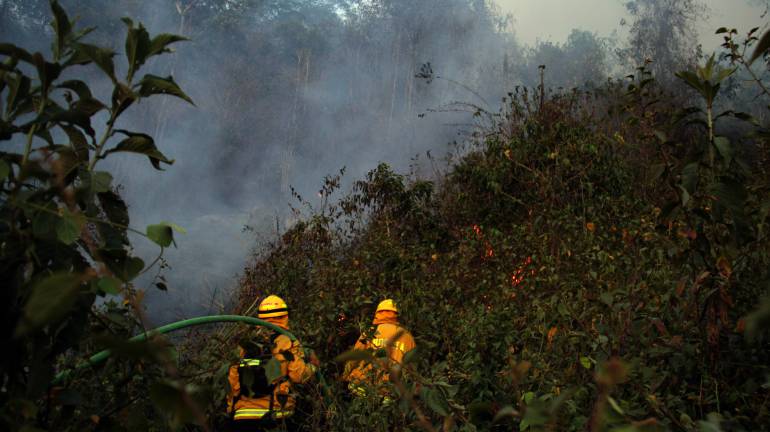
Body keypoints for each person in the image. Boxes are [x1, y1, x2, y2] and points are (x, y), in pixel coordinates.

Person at [227, 295, 317, 431]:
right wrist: (313, 366)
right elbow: (299, 376)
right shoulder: (288, 341)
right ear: (285, 316)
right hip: (276, 416)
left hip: (242, 417)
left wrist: (232, 409)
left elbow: (232, 382)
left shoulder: (244, 345)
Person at [342, 299, 416, 400]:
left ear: (378, 314)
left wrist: (344, 377)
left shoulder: (370, 333)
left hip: (365, 388)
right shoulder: (407, 336)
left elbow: (354, 358)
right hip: (392, 392)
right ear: (397, 315)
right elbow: (412, 368)